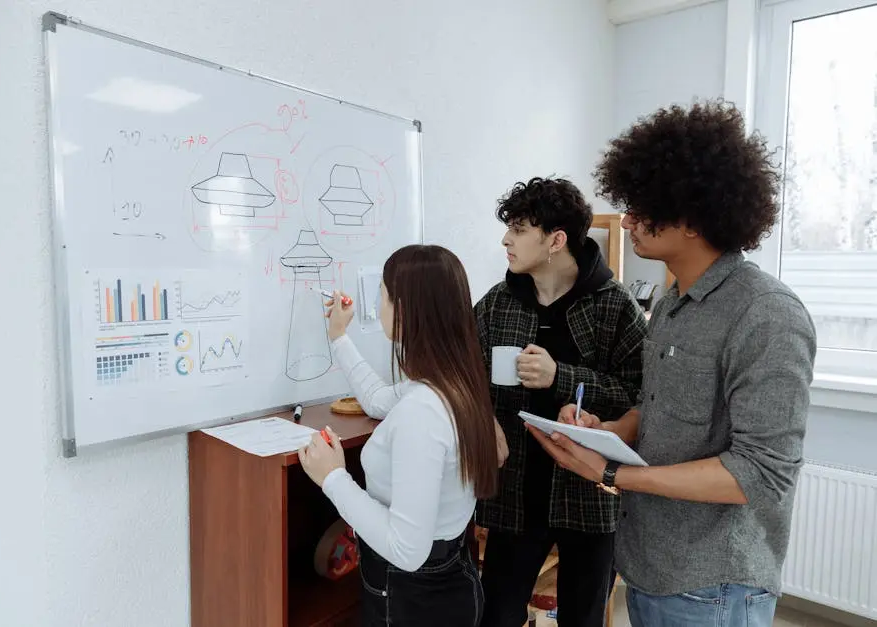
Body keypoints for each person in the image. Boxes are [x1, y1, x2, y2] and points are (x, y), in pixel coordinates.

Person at [527, 99, 817, 627]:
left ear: (693, 215)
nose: (629, 221)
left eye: (644, 206)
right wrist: (608, 430)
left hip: (713, 584)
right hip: (650, 565)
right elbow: (657, 407)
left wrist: (612, 471)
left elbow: (760, 473)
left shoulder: (767, 315)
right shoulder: (670, 306)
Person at [474, 177, 648, 627]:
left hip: (590, 498)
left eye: (518, 229)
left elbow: (641, 397)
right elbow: (465, 374)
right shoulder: (497, 304)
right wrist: (482, 418)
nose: (505, 240)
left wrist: (560, 377)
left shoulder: (615, 307)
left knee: (583, 618)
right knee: (496, 615)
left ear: (556, 240)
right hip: (513, 495)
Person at [297, 244, 499, 627]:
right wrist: (339, 336)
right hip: (449, 582)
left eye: (383, 295)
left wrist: (333, 478)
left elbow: (406, 550)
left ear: (404, 310)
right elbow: (376, 400)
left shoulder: (422, 412)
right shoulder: (453, 385)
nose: (379, 303)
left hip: (415, 601)